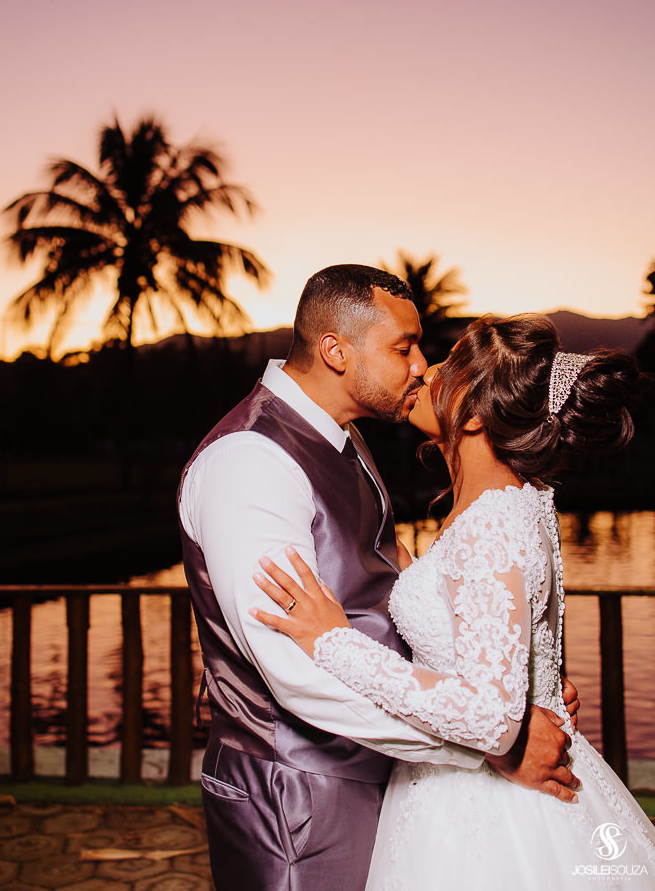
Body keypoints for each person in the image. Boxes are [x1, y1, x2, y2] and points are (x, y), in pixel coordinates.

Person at [178, 271, 580, 891]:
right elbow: (294, 672)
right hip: (299, 798)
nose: (422, 366)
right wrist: (494, 746)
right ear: (338, 351)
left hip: (390, 769)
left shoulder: (348, 441)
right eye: (404, 347)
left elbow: (390, 587)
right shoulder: (250, 462)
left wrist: (511, 675)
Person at [252, 312, 655, 889]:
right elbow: (504, 641)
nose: (422, 373)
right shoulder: (521, 502)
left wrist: (331, 641)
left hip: (489, 807)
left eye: (442, 370)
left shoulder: (493, 524)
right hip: (466, 777)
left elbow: (492, 715)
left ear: (469, 414)